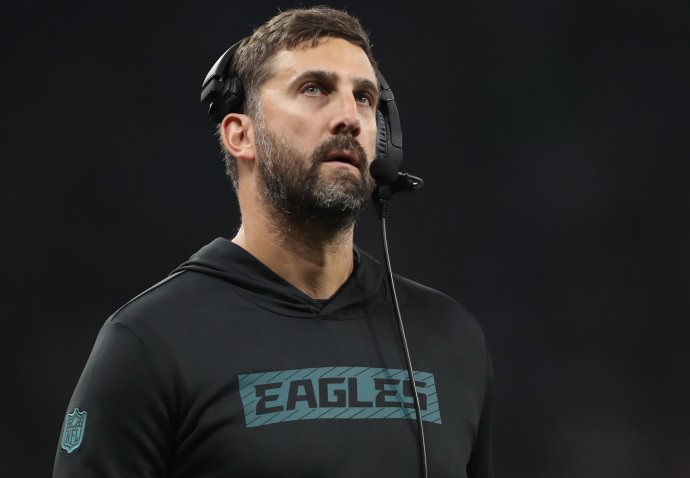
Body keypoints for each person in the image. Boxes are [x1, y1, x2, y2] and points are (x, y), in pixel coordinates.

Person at [52, 6, 493, 477]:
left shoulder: (450, 336)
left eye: (364, 98)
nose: (350, 116)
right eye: (314, 89)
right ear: (241, 134)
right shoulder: (148, 344)